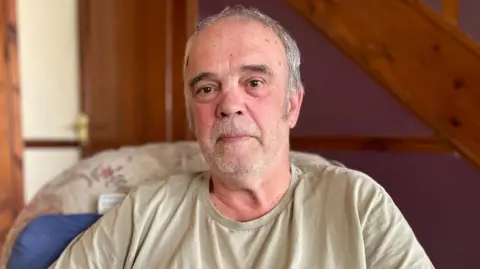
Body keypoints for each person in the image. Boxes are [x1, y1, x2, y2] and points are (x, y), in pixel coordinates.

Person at [49, 5, 434, 268]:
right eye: (206, 89)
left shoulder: (358, 203)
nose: (229, 104)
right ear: (191, 115)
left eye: (254, 82)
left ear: (292, 105)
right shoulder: (145, 211)